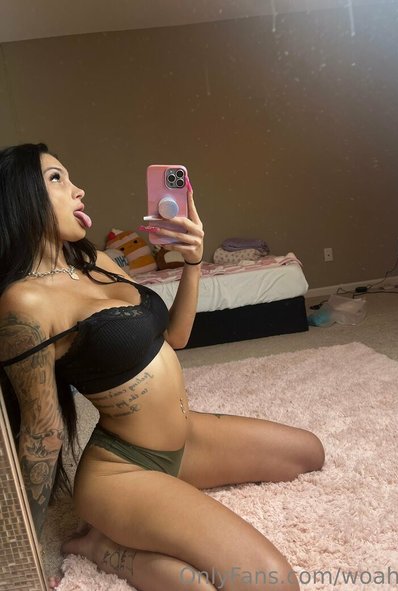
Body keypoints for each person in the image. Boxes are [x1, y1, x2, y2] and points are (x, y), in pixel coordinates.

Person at [0, 143, 325, 591]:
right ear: (19, 198)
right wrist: (27, 548)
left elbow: (176, 337)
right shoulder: (24, 302)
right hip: (122, 470)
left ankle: (144, 513)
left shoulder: (98, 262)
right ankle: (100, 548)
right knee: (272, 583)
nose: (78, 190)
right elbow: (42, 432)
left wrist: (193, 260)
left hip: (185, 439)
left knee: (308, 453)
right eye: (57, 179)